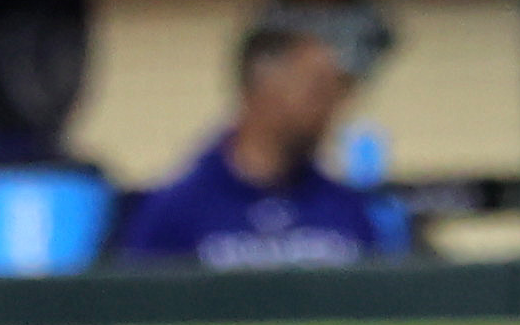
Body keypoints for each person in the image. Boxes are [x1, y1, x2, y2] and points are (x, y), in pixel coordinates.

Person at [111, 18, 414, 268]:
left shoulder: (345, 209)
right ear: (262, 89)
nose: (330, 110)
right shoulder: (176, 210)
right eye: (316, 91)